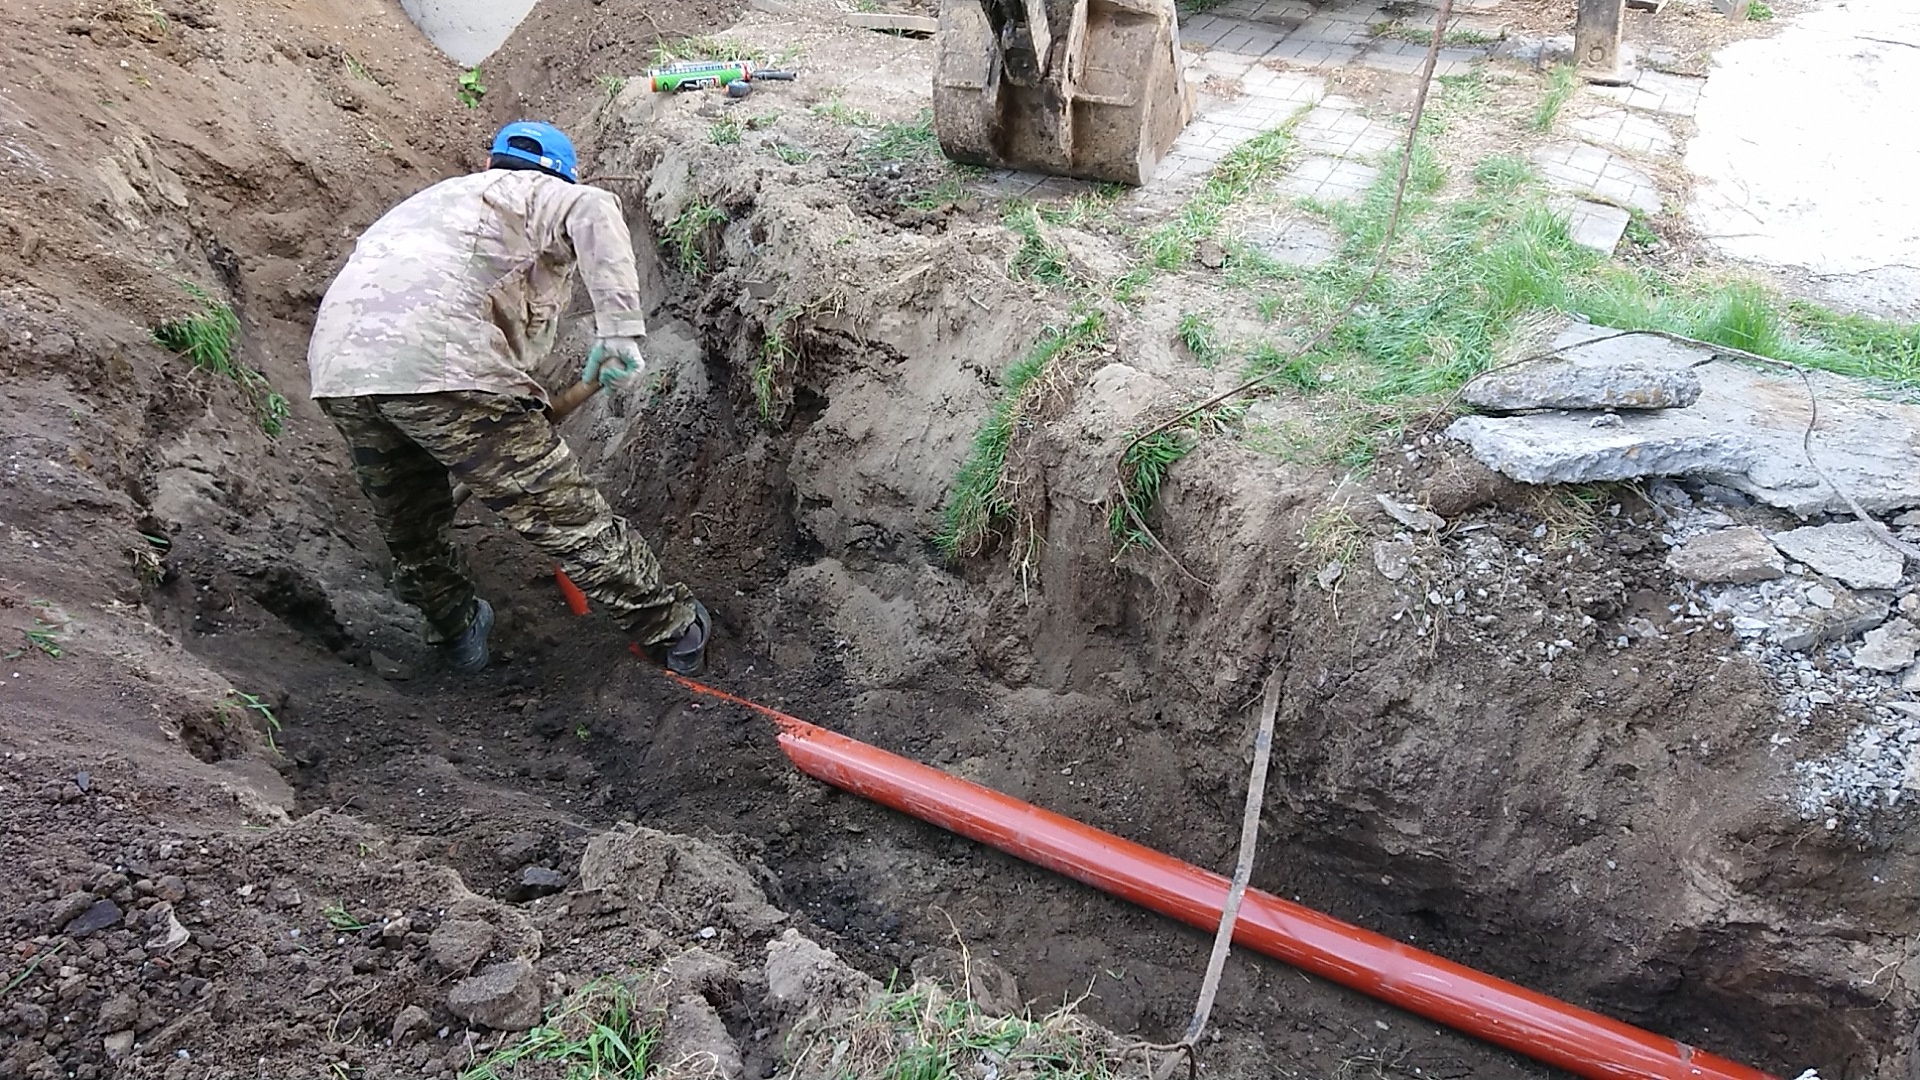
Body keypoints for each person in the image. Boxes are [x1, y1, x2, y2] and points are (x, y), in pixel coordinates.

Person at [306, 120, 709, 676]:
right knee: (559, 512)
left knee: (410, 523)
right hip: (440, 367)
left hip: (341, 371)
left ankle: (455, 629)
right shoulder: (537, 193)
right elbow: (592, 209)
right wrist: (618, 329)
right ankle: (671, 628)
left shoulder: (437, 203)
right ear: (558, 173)